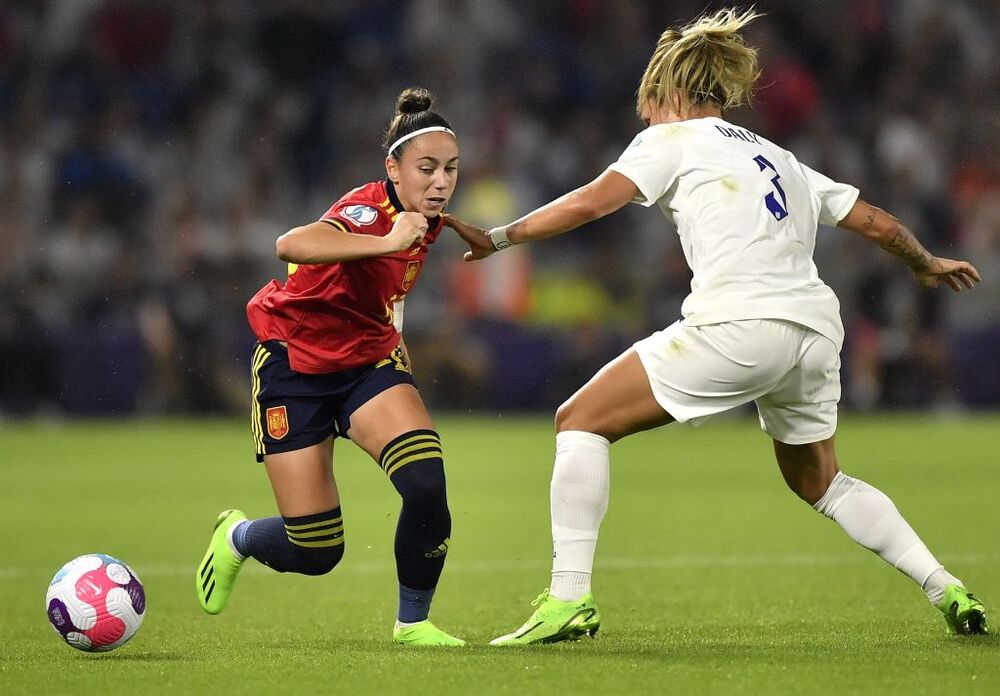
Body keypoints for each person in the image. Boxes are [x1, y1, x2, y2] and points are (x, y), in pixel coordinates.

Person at [445, 8, 987, 645]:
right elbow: (877, 224)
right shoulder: (779, 156)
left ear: (672, 95)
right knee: (820, 480)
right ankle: (944, 585)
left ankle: (568, 598)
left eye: (649, 106)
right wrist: (925, 263)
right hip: (815, 330)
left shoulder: (671, 138)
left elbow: (593, 200)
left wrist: (502, 237)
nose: (644, 121)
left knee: (578, 419)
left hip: (741, 322)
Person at [196, 87, 465, 647]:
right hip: (293, 368)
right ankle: (238, 537)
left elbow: (393, 287)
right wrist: (384, 239)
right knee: (316, 551)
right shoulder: (368, 211)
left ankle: (413, 623)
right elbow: (290, 242)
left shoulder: (425, 218)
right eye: (427, 169)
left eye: (451, 169)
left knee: (425, 482)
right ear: (392, 168)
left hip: (367, 365)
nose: (440, 182)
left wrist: (397, 347)